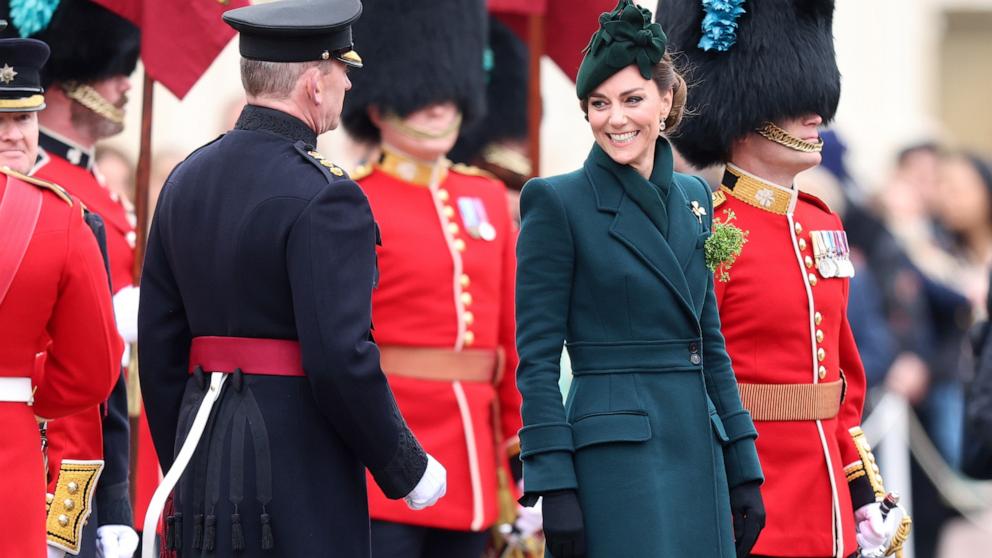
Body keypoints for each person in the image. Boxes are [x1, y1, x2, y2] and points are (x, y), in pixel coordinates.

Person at [138, 1, 446, 556]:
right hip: (296, 473)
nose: (349, 85)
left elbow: (161, 351)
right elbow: (339, 359)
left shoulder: (184, 180)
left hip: (201, 464)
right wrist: (406, 464)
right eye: (342, 72)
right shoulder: (328, 194)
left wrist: (184, 457)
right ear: (314, 84)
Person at [660, 1, 913, 557]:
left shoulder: (821, 223)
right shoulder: (706, 224)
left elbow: (842, 381)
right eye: (794, 102)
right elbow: (686, 377)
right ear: (745, 110)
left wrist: (861, 488)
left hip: (828, 506)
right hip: (751, 497)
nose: (815, 115)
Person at [515, 2, 765, 557]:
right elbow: (535, 361)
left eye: (632, 99)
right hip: (614, 464)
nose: (616, 119)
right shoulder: (555, 202)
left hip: (697, 448)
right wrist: (552, 479)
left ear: (666, 100)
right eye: (599, 104)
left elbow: (711, 343)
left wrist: (744, 464)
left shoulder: (697, 198)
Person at [339, 2, 527, 556]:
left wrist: (523, 454)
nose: (437, 103)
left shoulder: (487, 198)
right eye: (420, 91)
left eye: (447, 89)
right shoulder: (353, 198)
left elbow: (509, 340)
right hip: (385, 456)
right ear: (378, 105)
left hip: (471, 461)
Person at [0, 34, 122, 557]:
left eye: (24, 119)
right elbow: (91, 372)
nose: (13, 137)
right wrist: (26, 393)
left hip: (50, 473)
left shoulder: (72, 213)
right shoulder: (62, 218)